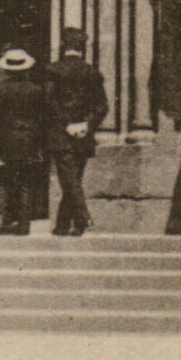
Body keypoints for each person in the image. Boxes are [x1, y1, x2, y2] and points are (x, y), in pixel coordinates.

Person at [0, 48, 49, 235]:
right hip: (30, 140)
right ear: (27, 68)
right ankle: (24, 224)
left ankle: (0, 218)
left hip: (5, 139)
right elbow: (43, 117)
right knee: (26, 181)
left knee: (2, 178)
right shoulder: (37, 91)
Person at [45, 29, 109, 237]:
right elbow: (102, 106)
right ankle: (64, 225)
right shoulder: (92, 73)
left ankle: (82, 217)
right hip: (83, 134)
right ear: (83, 48)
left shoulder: (53, 70)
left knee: (69, 179)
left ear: (63, 46)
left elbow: (49, 103)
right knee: (73, 178)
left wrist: (66, 124)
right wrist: (86, 124)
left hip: (61, 133)